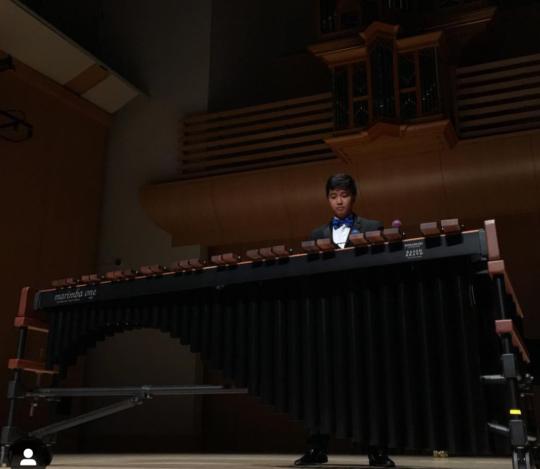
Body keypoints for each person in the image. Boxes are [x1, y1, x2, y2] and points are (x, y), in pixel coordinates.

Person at [294, 173, 395, 468]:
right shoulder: (315, 235)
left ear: (353, 197)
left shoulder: (374, 228)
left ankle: (376, 450)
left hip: (363, 318)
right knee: (320, 384)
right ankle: (317, 448)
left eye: (344, 195)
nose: (339, 201)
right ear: (328, 199)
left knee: (369, 385)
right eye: (333, 196)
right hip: (327, 320)